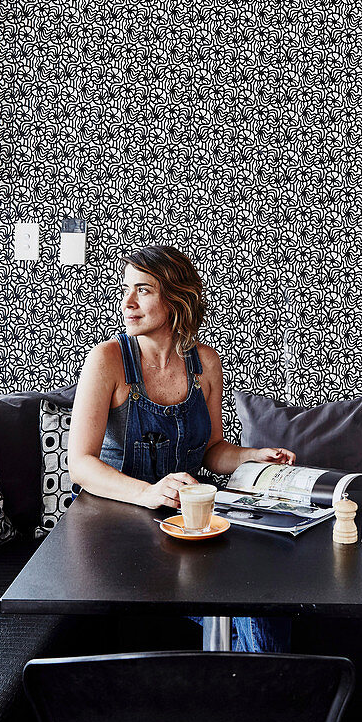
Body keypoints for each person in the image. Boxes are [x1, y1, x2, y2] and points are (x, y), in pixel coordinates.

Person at [68, 245, 296, 652]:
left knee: (265, 591)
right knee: (231, 603)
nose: (128, 303)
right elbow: (80, 464)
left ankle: (254, 693)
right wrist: (148, 492)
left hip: (190, 521)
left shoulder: (205, 363)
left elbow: (211, 450)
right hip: (120, 522)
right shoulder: (107, 360)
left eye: (144, 291)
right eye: (125, 290)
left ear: (176, 298)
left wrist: (249, 456)